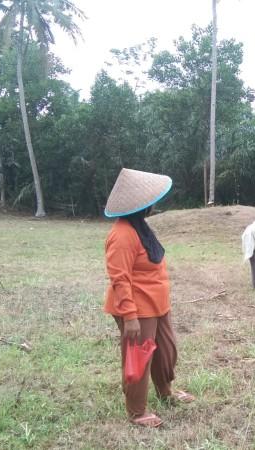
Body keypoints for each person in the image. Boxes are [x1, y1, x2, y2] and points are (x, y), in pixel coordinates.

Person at [103, 168, 194, 428]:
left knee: (166, 350)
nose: (153, 205)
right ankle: (137, 411)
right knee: (139, 358)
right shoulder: (122, 234)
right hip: (137, 308)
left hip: (157, 304)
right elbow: (119, 278)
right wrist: (130, 317)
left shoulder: (139, 226)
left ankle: (166, 392)